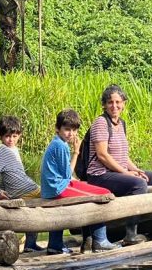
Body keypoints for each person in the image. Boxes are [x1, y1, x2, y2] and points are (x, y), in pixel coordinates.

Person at [85, 84, 152, 245]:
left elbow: (123, 155)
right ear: (104, 105)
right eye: (110, 102)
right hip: (100, 175)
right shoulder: (101, 123)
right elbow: (102, 155)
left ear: (124, 103)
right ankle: (130, 234)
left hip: (118, 172)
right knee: (138, 184)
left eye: (118, 102)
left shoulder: (121, 124)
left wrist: (135, 169)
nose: (114, 106)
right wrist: (125, 172)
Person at [40, 109, 119, 254]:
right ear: (57, 129)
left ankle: (56, 245)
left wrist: (74, 181)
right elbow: (67, 174)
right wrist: (76, 152)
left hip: (52, 188)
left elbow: (66, 175)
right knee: (103, 194)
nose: (71, 134)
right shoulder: (61, 145)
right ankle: (100, 241)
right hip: (58, 188)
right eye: (67, 129)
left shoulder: (56, 142)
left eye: (74, 130)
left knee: (88, 188)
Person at [0, 115, 43, 252]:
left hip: (24, 188)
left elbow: (7, 175)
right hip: (24, 191)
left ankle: (30, 244)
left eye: (15, 136)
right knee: (49, 196)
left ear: (20, 135)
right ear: (0, 136)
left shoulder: (13, 150)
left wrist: (2, 190)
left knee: (34, 211)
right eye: (7, 136)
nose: (11, 140)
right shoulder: (3, 151)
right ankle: (33, 243)